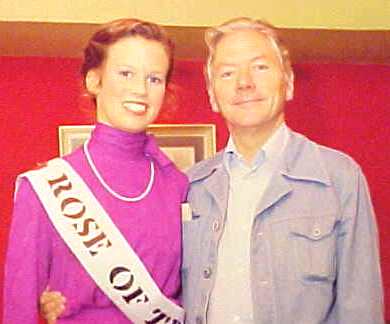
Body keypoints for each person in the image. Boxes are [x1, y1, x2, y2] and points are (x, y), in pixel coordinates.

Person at [40, 17, 384, 323]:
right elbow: (155, 282)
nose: (244, 83)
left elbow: (361, 307)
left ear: (289, 82)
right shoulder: (188, 185)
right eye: (227, 73)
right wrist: (66, 297)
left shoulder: (337, 177)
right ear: (213, 95)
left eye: (260, 67)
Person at [3, 18, 188, 324]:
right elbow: (18, 309)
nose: (140, 89)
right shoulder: (46, 187)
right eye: (126, 73)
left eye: (154, 78)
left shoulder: (177, 184)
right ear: (94, 81)